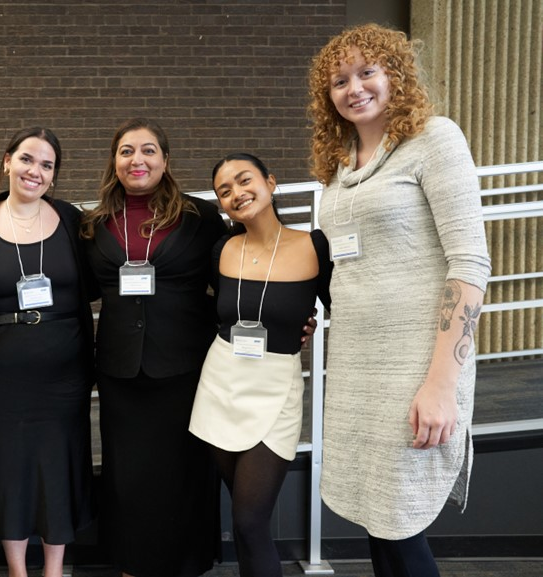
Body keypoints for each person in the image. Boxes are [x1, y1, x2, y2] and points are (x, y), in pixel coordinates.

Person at [308, 24, 491, 576]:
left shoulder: (435, 139)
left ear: (396, 74)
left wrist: (441, 385)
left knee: (403, 523)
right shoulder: (341, 167)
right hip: (356, 365)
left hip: (417, 363)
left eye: (368, 71)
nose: (354, 88)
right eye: (339, 80)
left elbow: (470, 263)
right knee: (376, 518)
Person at [79, 118, 227, 577]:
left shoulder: (199, 217)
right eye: (126, 151)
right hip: (122, 370)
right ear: (114, 161)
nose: (136, 160)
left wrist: (288, 321)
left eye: (147, 150)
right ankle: (131, 563)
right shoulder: (95, 224)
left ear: (165, 160)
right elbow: (79, 290)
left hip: (184, 366)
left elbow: (232, 283)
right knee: (128, 476)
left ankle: (184, 564)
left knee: (184, 470)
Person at [0, 127, 95, 577]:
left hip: (64, 374)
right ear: (7, 161)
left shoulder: (73, 222)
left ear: (54, 177)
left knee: (58, 466)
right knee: (8, 468)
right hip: (0, 376)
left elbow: (98, 283)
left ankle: (54, 569)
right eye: (27, 159)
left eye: (46, 165)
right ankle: (18, 569)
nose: (35, 171)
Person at [188, 152, 332, 577]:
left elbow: (341, 304)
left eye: (244, 180)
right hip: (221, 383)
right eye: (225, 191)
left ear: (270, 182)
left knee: (250, 522)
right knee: (245, 521)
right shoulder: (223, 248)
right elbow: (217, 311)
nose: (237, 193)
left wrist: (307, 325)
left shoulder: (314, 245)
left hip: (276, 388)